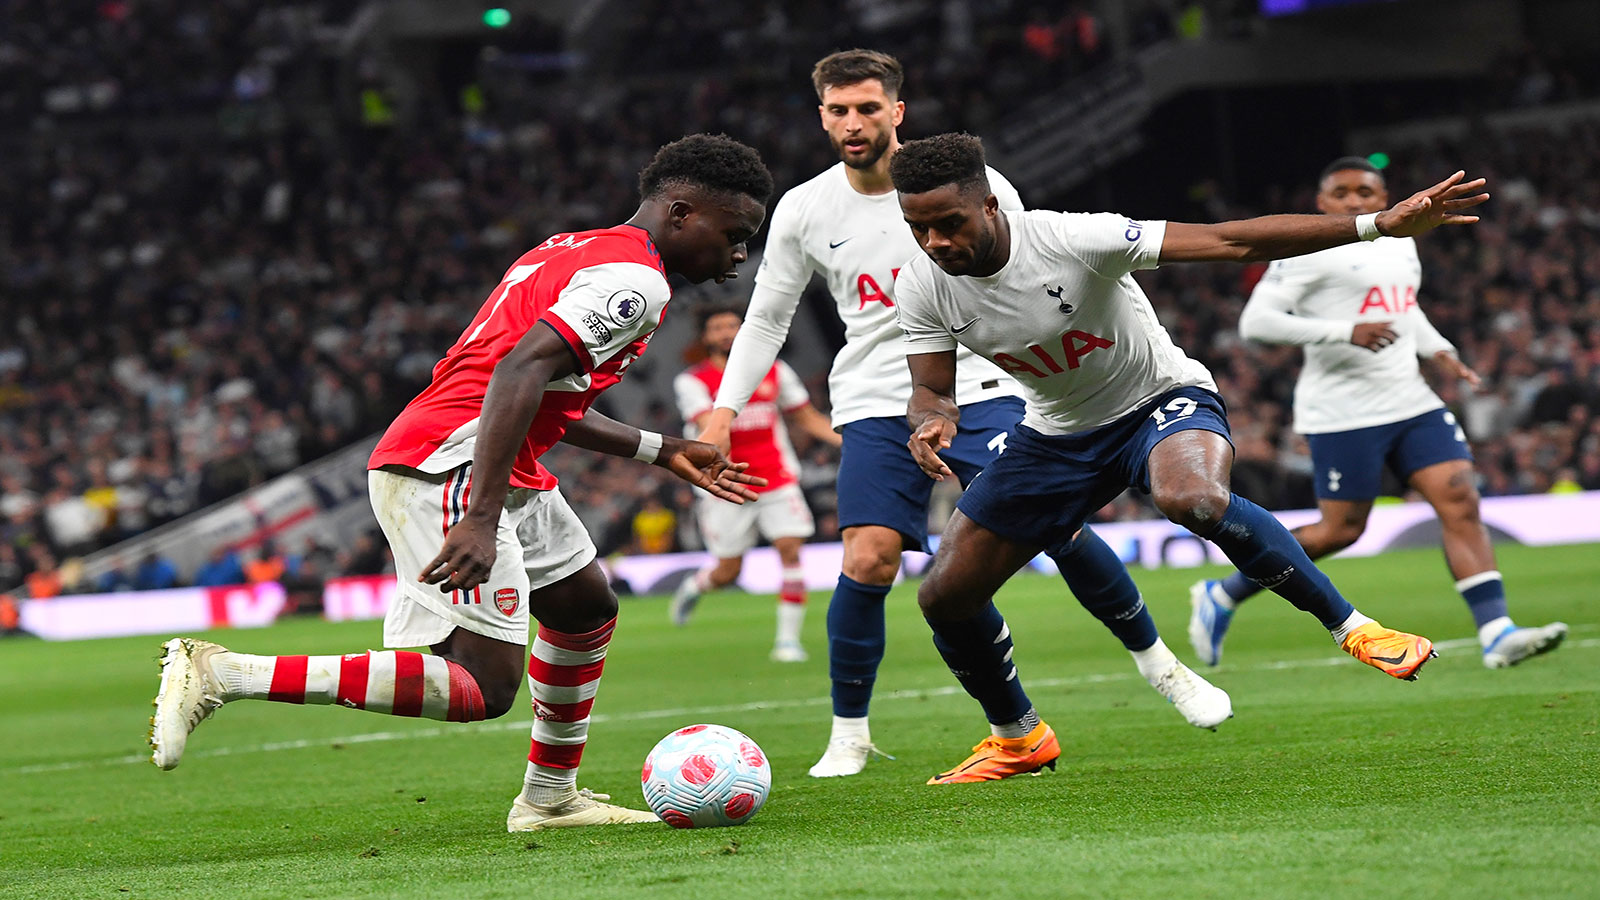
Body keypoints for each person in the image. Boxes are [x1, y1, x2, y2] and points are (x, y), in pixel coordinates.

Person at [149, 134, 775, 831]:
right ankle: (227, 674)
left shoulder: (571, 248)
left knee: (584, 606)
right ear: (682, 212)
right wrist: (479, 515)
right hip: (451, 462)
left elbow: (545, 393)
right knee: (482, 686)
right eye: (734, 234)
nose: (738, 255)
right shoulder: (636, 282)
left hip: (494, 461)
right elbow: (516, 374)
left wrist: (660, 449)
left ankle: (550, 799)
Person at [889, 133, 1487, 784]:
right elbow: (930, 389)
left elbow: (1231, 241)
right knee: (944, 596)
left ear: (990, 206)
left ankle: (1355, 628)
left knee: (1192, 498)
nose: (935, 243)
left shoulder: (1071, 238)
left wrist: (1376, 224)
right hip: (1057, 435)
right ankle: (1017, 737)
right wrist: (932, 419)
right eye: (918, 228)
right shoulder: (921, 283)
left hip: (1160, 400)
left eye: (949, 224)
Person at [698, 50, 1225, 779]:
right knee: (867, 557)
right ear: (821, 117)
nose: (854, 124)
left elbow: (1031, 276)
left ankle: (1161, 666)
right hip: (875, 398)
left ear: (896, 111)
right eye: (839, 111)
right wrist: (723, 412)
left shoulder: (971, 184)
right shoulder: (804, 208)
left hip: (983, 384)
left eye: (868, 108)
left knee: (1059, 528)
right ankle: (850, 733)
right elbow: (765, 319)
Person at [1189, 157, 1567, 670]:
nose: (1354, 200)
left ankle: (1497, 632)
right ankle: (1224, 593)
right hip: (1343, 411)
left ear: (1383, 197)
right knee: (1340, 531)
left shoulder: (1401, 241)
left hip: (1411, 400)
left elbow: (1403, 306)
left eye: (1365, 192)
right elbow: (1256, 323)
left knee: (1460, 499)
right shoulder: (1308, 250)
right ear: (1321, 203)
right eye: (1341, 193)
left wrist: (1438, 349)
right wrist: (1345, 332)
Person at [671, 303, 841, 662]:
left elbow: (807, 417)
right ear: (705, 337)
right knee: (728, 571)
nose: (726, 333)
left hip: (777, 477)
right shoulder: (692, 381)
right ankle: (695, 586)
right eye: (717, 328)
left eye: (732, 325)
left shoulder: (775, 370)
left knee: (790, 549)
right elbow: (708, 426)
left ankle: (787, 642)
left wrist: (850, 442)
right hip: (724, 484)